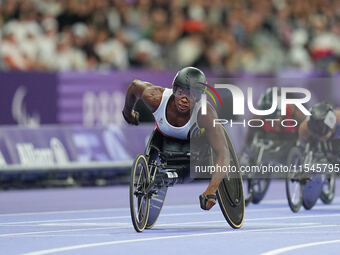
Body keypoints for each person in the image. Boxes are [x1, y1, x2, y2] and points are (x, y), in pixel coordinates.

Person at [122, 66, 229, 210]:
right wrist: (128, 113)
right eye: (180, 93)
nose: (184, 99)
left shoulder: (205, 113)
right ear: (174, 90)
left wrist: (212, 190)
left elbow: (223, 152)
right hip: (163, 139)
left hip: (194, 149)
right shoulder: (155, 98)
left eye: (191, 95)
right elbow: (134, 86)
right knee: (155, 141)